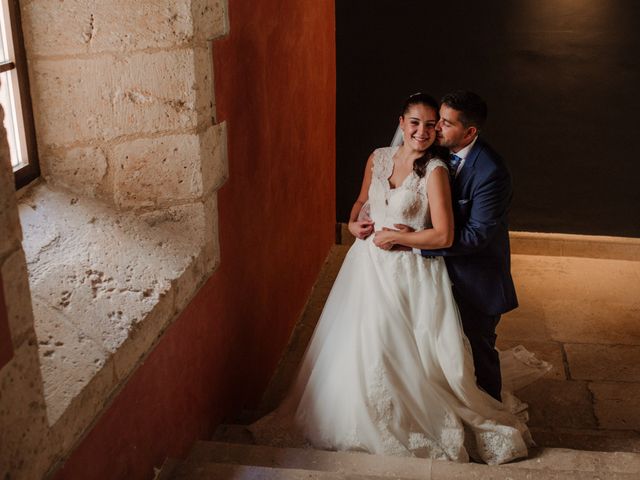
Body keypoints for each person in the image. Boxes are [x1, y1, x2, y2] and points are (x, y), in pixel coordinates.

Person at [250, 93, 535, 465]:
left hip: (412, 271)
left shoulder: (440, 169)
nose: (425, 131)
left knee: (415, 348)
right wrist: (353, 224)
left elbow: (452, 235)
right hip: (366, 268)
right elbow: (361, 203)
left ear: (458, 131)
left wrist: (402, 238)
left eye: (434, 125)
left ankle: (408, 416)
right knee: (358, 343)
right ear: (401, 122)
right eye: (416, 122)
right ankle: (350, 414)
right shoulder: (378, 157)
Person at [374, 91, 516, 402]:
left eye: (444, 123)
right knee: (429, 350)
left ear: (470, 132)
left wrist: (413, 243)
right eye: (437, 119)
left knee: (476, 350)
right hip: (425, 276)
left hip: (472, 277)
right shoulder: (430, 145)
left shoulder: (491, 173)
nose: (435, 128)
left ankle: (488, 413)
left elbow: (476, 236)